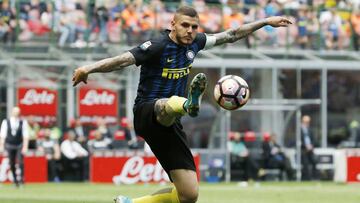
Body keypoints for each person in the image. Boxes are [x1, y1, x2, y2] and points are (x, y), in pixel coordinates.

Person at [72, 6, 291, 203]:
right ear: (173, 25)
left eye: (194, 27)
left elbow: (232, 34)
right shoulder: (157, 46)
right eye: (184, 25)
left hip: (171, 123)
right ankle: (189, 103)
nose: (189, 30)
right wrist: (88, 68)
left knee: (188, 195)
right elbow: (122, 60)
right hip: (147, 111)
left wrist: (264, 22)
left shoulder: (196, 43)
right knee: (167, 105)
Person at [0, 106, 29, 187]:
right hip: (9, 144)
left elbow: (25, 135)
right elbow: (3, 135)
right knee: (11, 163)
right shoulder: (6, 122)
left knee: (20, 162)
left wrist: (25, 146)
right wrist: (1, 146)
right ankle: (15, 180)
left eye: (18, 112)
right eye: (15, 112)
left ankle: (22, 180)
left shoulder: (23, 122)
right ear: (12, 112)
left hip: (19, 144)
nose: (16, 113)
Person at [301, 115, 317, 180]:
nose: (307, 123)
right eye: (306, 122)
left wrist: (311, 146)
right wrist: (305, 146)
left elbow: (313, 139)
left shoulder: (310, 130)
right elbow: (298, 140)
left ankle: (314, 177)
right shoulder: (299, 130)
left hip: (310, 149)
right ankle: (306, 178)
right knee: (305, 163)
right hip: (303, 150)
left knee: (314, 161)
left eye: (308, 122)